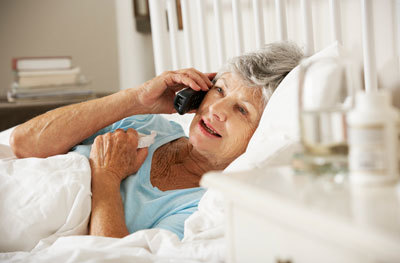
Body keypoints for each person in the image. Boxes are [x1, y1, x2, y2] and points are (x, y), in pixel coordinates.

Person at [10, 42, 303, 240]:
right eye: (220, 91)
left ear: (263, 134)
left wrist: (106, 177)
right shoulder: (147, 123)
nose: (216, 110)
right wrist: (135, 99)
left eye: (241, 110)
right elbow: (23, 142)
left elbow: (108, 257)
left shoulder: (203, 207)